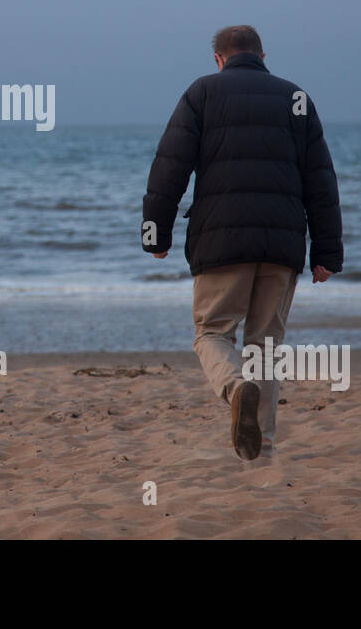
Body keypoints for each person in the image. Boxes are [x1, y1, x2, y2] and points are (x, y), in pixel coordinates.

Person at [141, 25, 343, 460]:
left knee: (212, 332)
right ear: (263, 56)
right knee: (266, 345)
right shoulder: (296, 99)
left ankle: (235, 388)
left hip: (221, 243)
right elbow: (321, 182)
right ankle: (261, 451)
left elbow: (169, 168)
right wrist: (328, 253)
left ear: (219, 59)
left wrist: (156, 233)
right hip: (282, 246)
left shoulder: (202, 94)